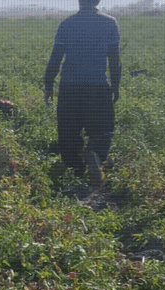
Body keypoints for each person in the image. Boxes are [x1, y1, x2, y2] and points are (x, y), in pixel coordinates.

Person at [43, 0, 121, 187]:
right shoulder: (109, 23)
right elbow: (115, 60)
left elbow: (55, 57)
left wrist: (48, 85)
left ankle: (75, 170)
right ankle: (94, 153)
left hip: (70, 87)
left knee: (69, 130)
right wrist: (115, 86)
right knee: (103, 128)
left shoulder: (67, 23)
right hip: (98, 86)